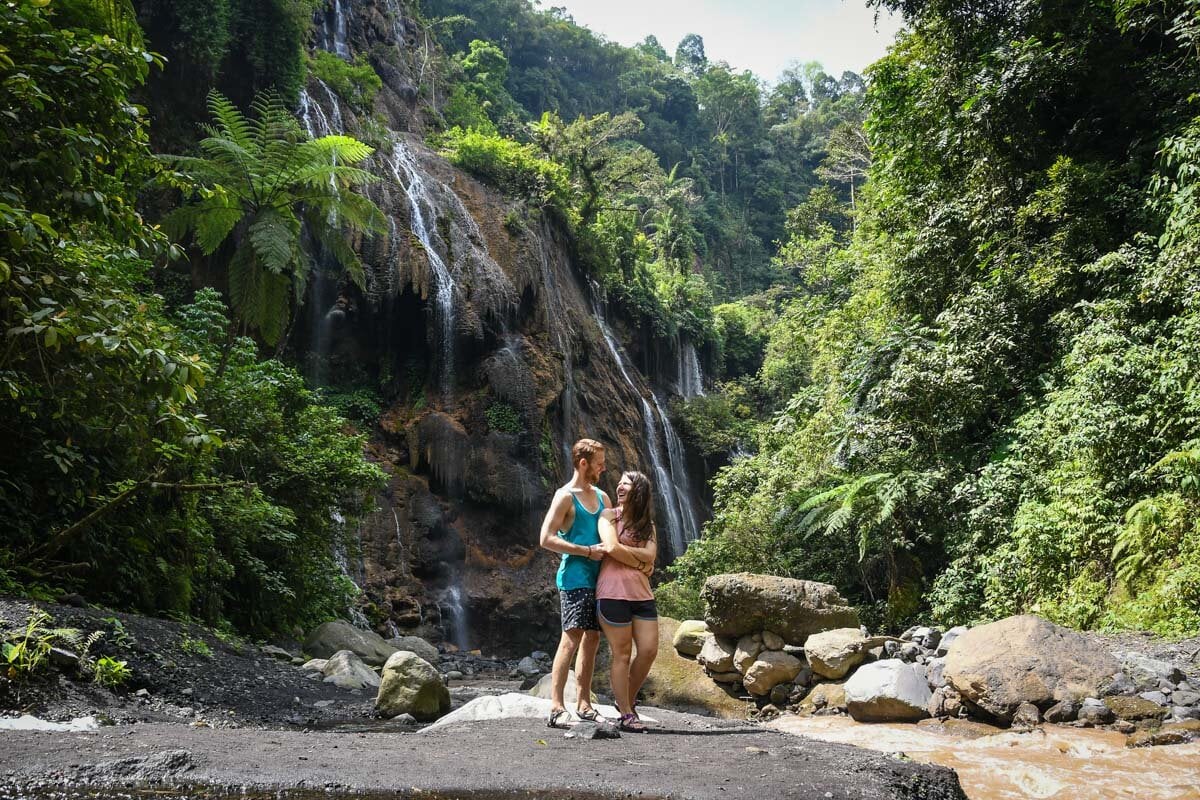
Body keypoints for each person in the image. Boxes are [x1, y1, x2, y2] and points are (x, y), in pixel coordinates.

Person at [537, 438, 609, 728]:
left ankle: (584, 704)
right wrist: (586, 551)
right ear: (583, 463)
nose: (603, 468)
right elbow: (546, 538)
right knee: (571, 638)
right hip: (575, 577)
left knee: (593, 639)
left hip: (600, 578)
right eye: (599, 463)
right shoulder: (565, 496)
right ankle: (556, 706)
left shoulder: (604, 497)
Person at [596, 470, 659, 733]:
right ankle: (625, 713)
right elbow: (610, 547)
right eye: (619, 482)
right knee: (621, 654)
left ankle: (626, 701)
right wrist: (639, 560)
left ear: (639, 490)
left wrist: (640, 557)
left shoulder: (648, 525)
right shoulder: (608, 515)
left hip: (642, 595)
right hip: (612, 592)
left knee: (648, 651)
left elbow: (652, 554)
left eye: (626, 483)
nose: (619, 486)